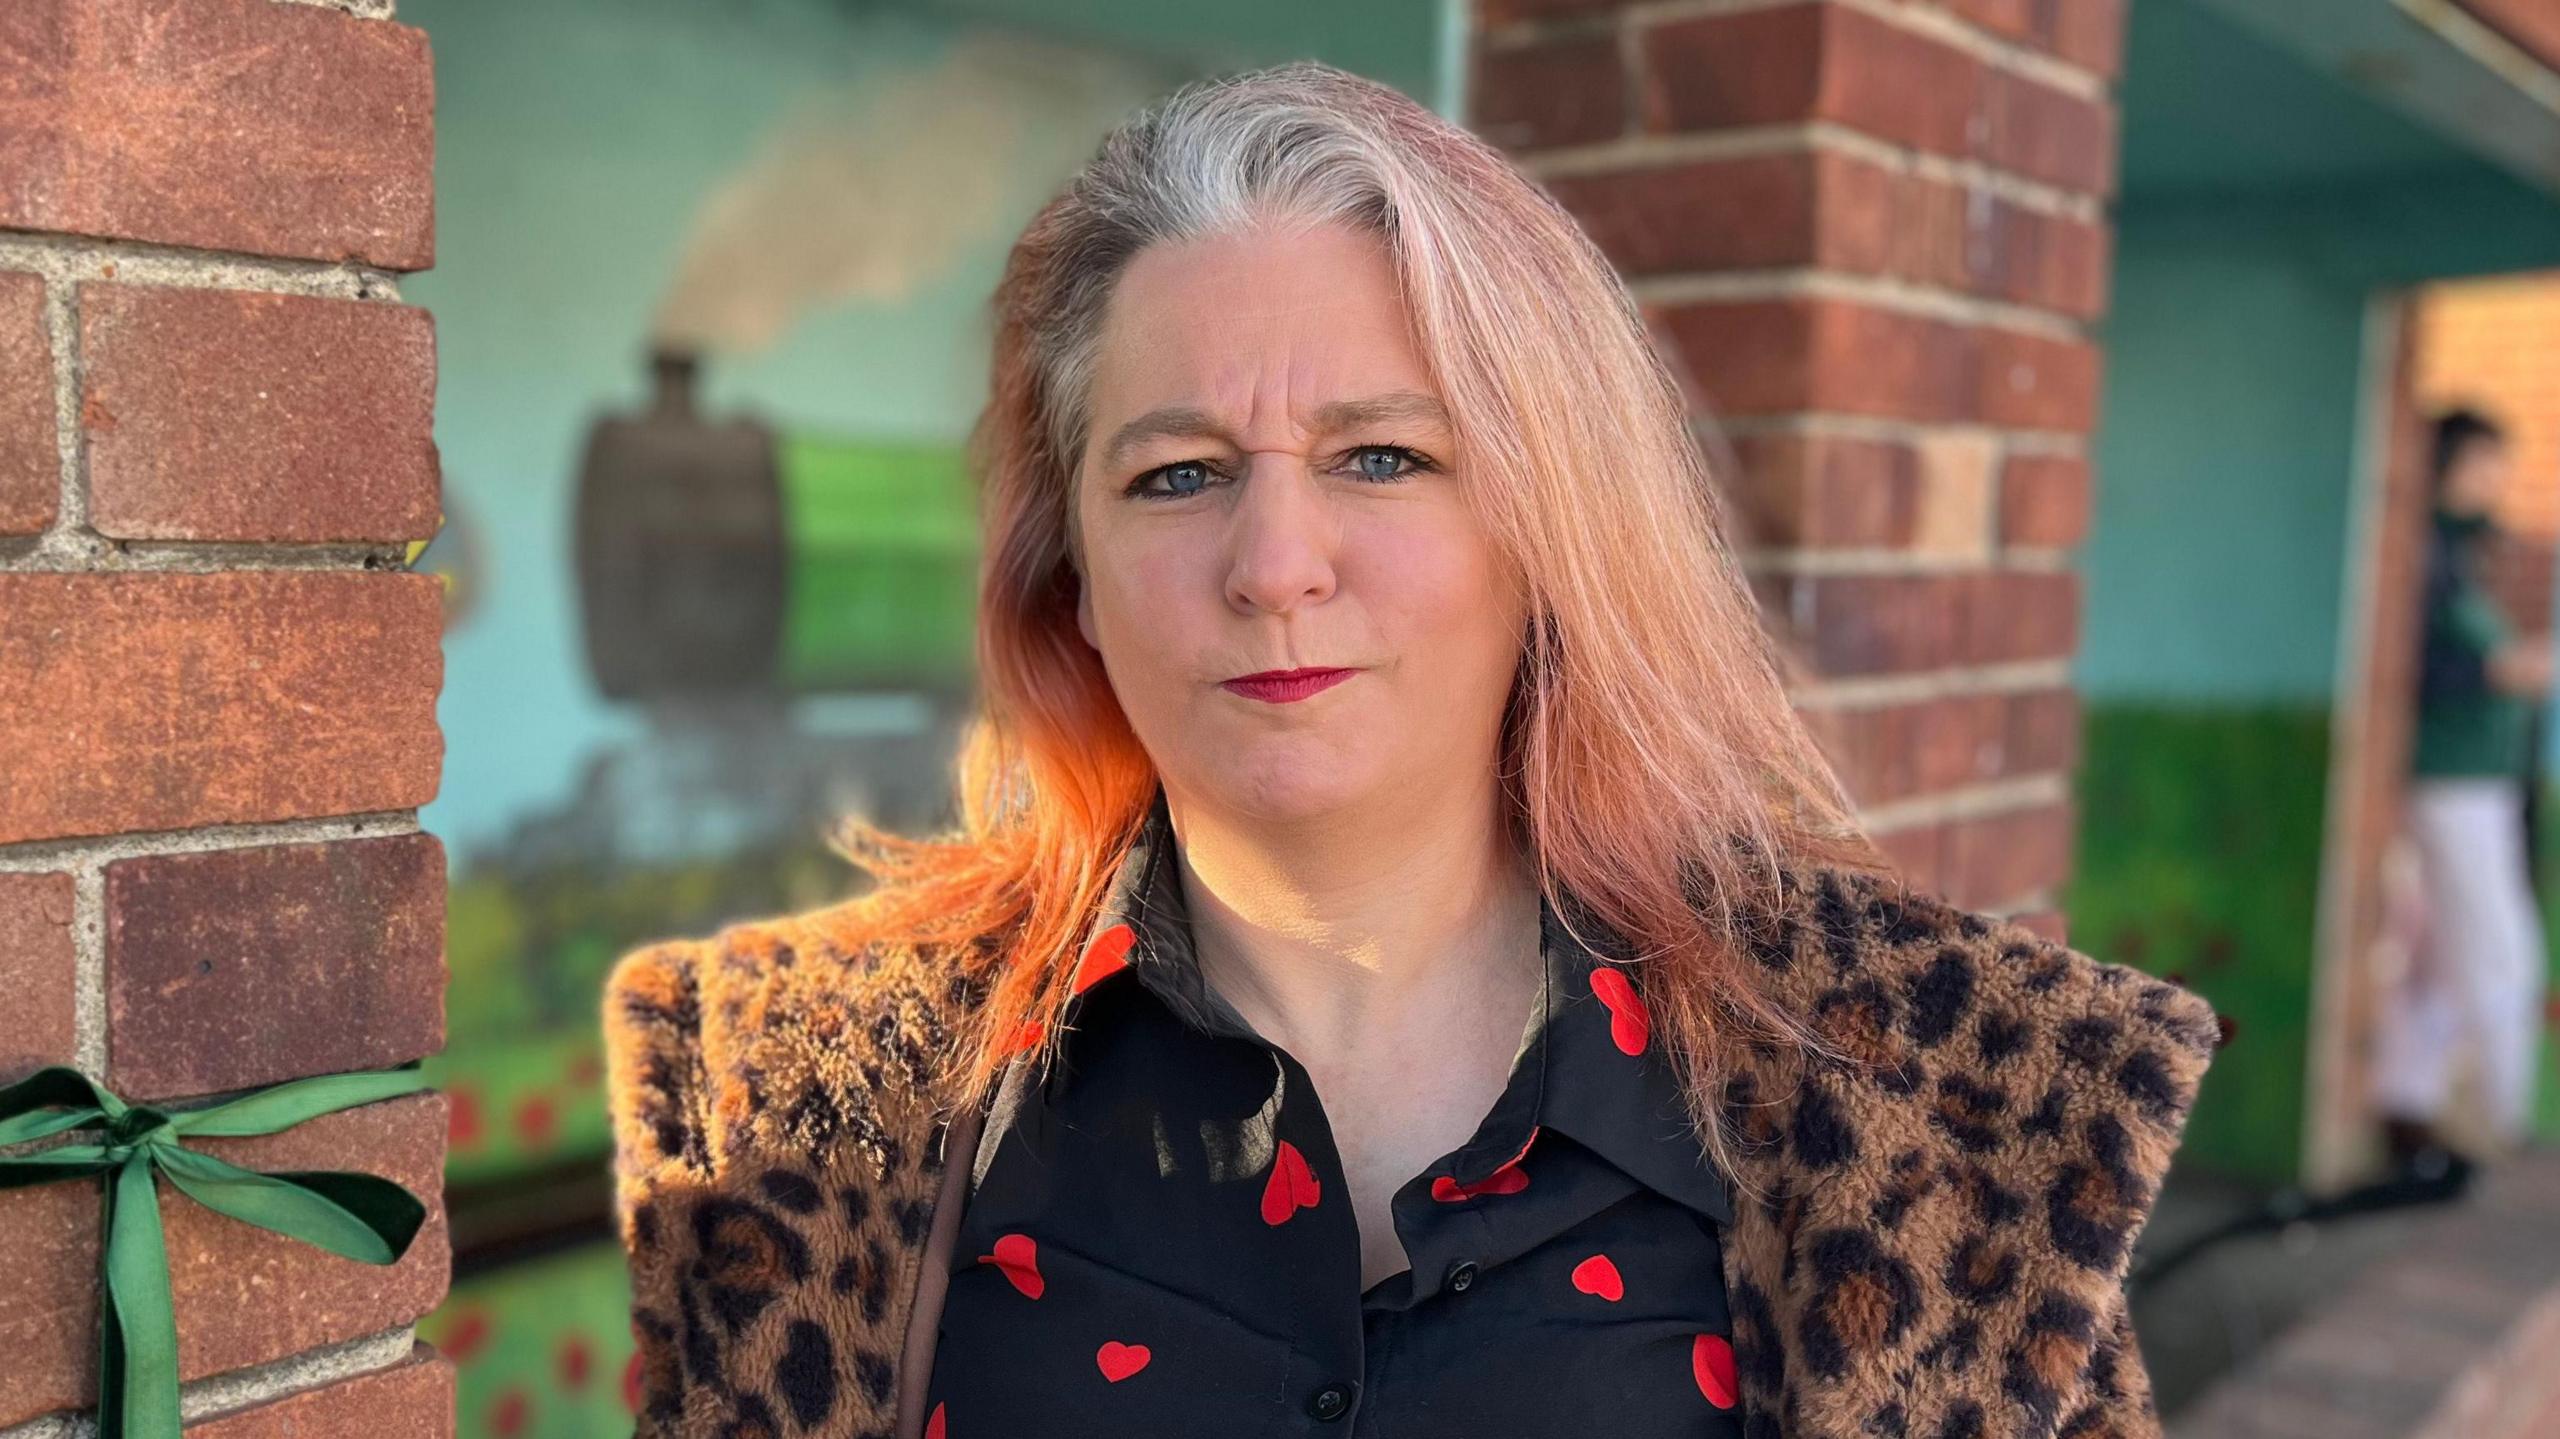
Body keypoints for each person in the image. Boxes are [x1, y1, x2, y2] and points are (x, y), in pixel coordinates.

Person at [602, 61, 2220, 1439]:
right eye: (1177, 475)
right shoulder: (790, 1110)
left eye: (1383, 455)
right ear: (1068, 582)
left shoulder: (1935, 1115)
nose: (1277, 561)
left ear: (1545, 532)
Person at [2371, 407, 2552, 1178]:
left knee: (2446, 961)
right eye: (2482, 462)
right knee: (2500, 958)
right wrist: (2499, 671)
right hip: (2449, 785)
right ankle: (2505, 1126)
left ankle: (2410, 1107)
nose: (2494, 481)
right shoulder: (2422, 552)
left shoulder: (2464, 553)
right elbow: (2407, 669)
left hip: (2486, 785)